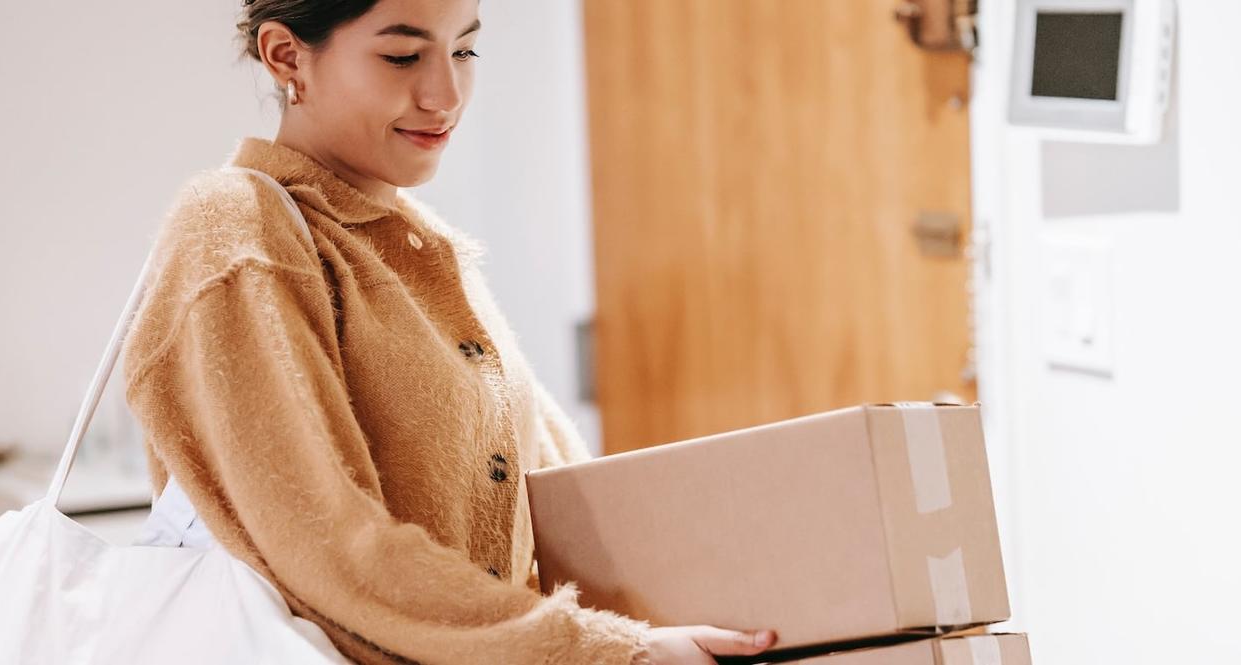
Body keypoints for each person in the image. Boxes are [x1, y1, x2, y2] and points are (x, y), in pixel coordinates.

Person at [120, 1, 777, 663]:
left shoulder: (421, 248)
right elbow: (328, 549)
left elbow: (563, 499)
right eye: (402, 56)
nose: (445, 95)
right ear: (287, 56)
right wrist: (607, 653)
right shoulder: (234, 226)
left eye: (464, 51)